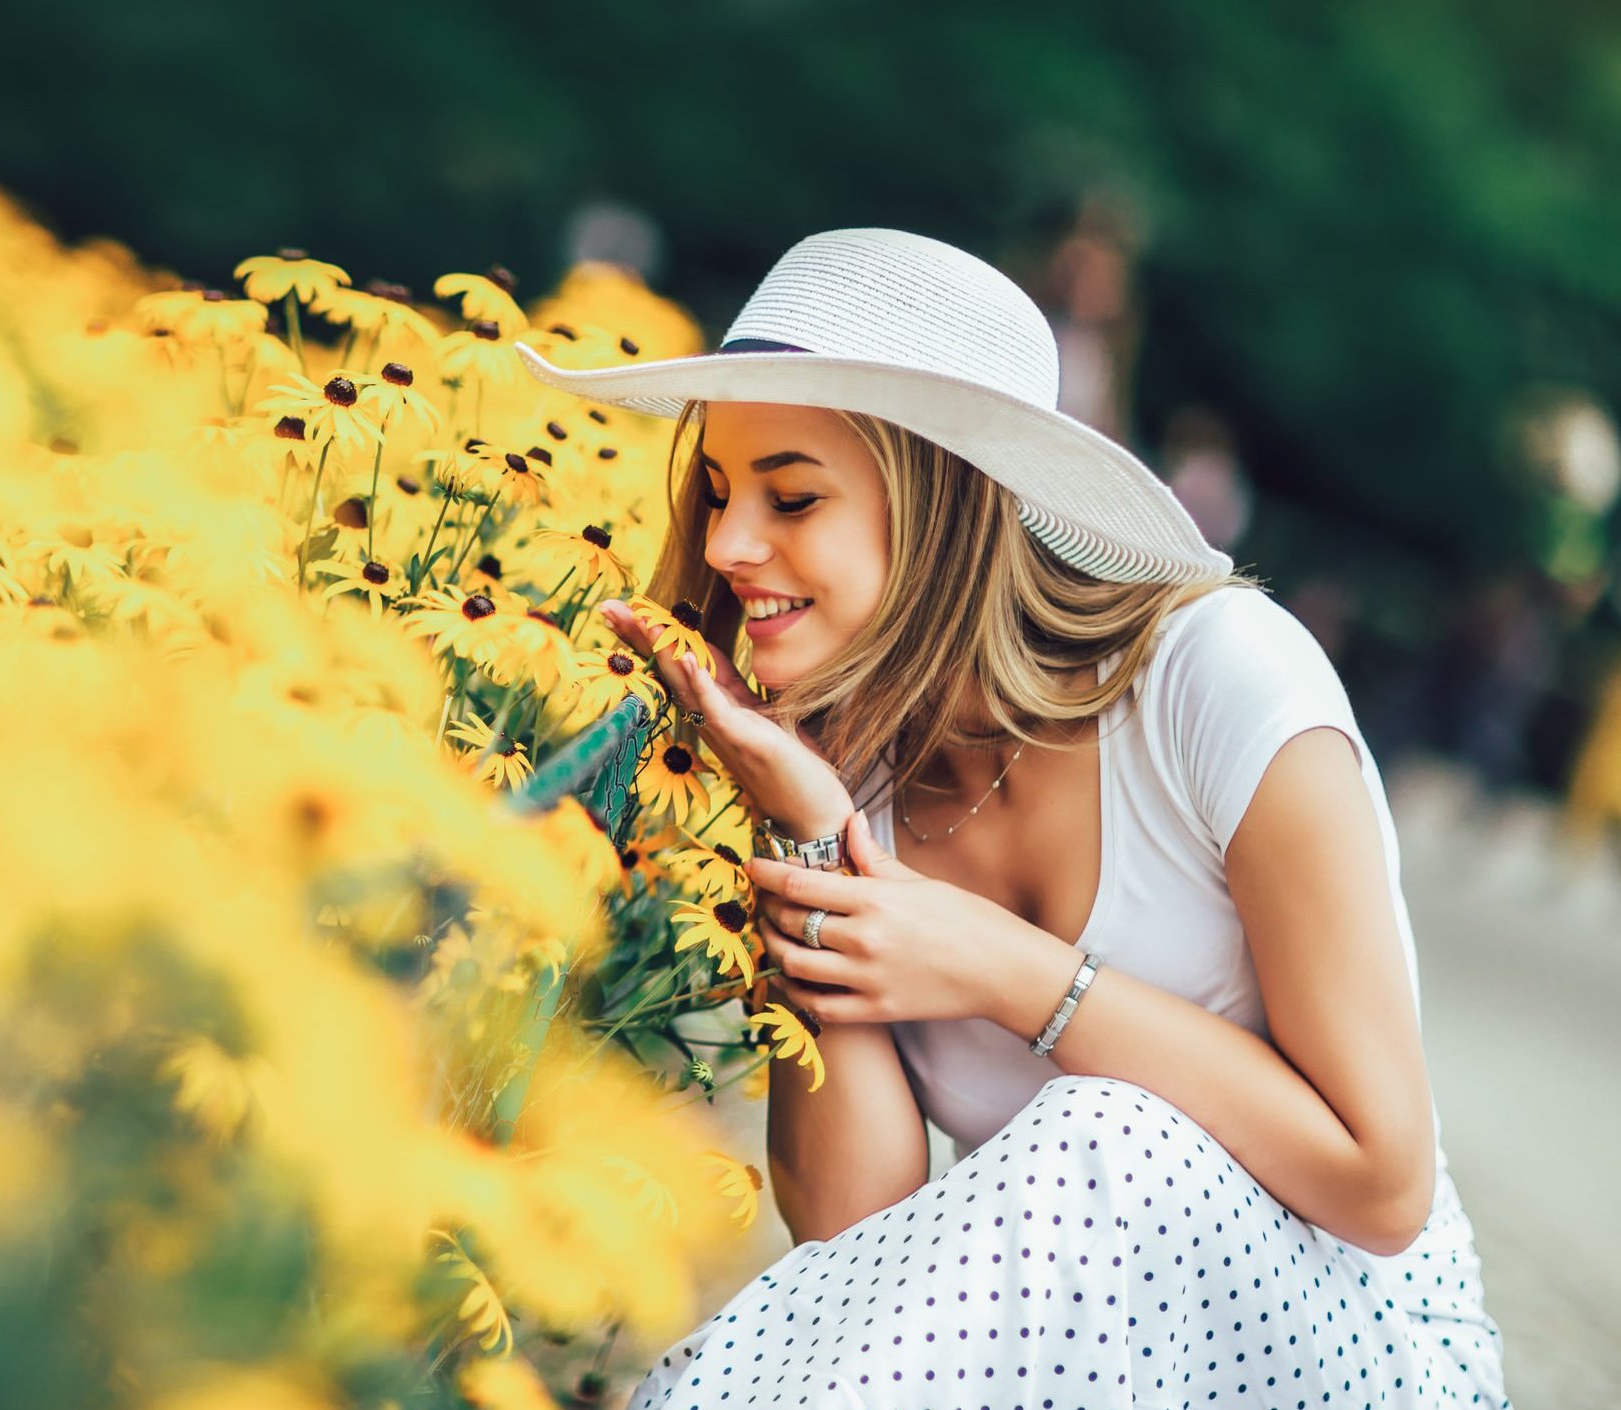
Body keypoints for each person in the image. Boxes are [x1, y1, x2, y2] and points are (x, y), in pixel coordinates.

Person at [515, 228, 1509, 1408]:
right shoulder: (848, 751)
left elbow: (1378, 1183)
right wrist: (803, 829)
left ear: (950, 503)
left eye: (792, 495)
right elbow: (854, 1227)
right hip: (1074, 1363)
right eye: (720, 490)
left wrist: (1012, 973)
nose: (727, 544)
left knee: (1106, 1135)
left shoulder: (1218, 681)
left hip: (1350, 1342)